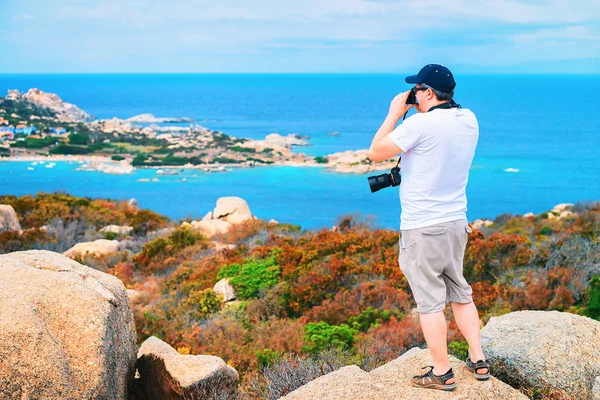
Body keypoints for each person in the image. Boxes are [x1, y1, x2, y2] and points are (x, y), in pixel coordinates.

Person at [366, 64, 490, 391]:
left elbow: (375, 152)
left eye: (417, 90)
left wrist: (395, 112)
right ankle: (478, 360)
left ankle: (442, 371)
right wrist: (417, 109)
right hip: (455, 222)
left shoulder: (419, 124)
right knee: (460, 293)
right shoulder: (468, 119)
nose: (413, 95)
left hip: (423, 227)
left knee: (430, 303)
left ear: (429, 93)